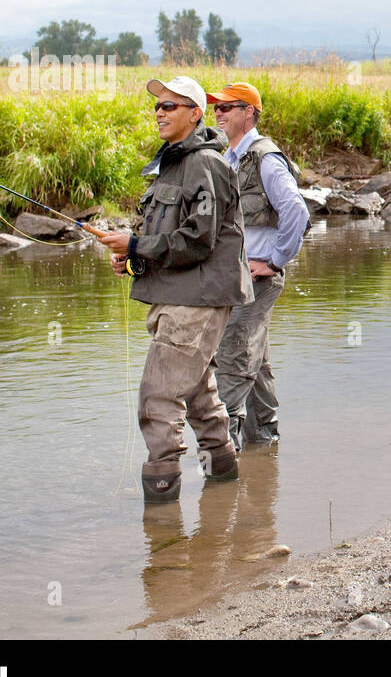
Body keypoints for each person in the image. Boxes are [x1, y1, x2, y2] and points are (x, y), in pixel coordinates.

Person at [97, 76, 254, 502]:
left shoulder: (206, 165)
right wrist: (135, 258)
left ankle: (162, 522)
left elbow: (199, 240)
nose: (160, 113)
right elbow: (173, 239)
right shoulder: (172, 164)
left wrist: (135, 245)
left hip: (197, 302)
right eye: (157, 106)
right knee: (200, 397)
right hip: (179, 297)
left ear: (195, 113)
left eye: (171, 106)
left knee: (158, 399)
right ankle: (225, 495)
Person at [207, 81, 310, 450]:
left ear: (249, 112)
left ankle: (221, 458)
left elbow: (297, 211)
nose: (217, 113)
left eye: (226, 107)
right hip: (234, 278)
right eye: (215, 108)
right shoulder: (229, 158)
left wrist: (276, 261)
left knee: (232, 354)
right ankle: (264, 444)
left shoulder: (266, 158)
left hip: (257, 280)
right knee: (257, 362)